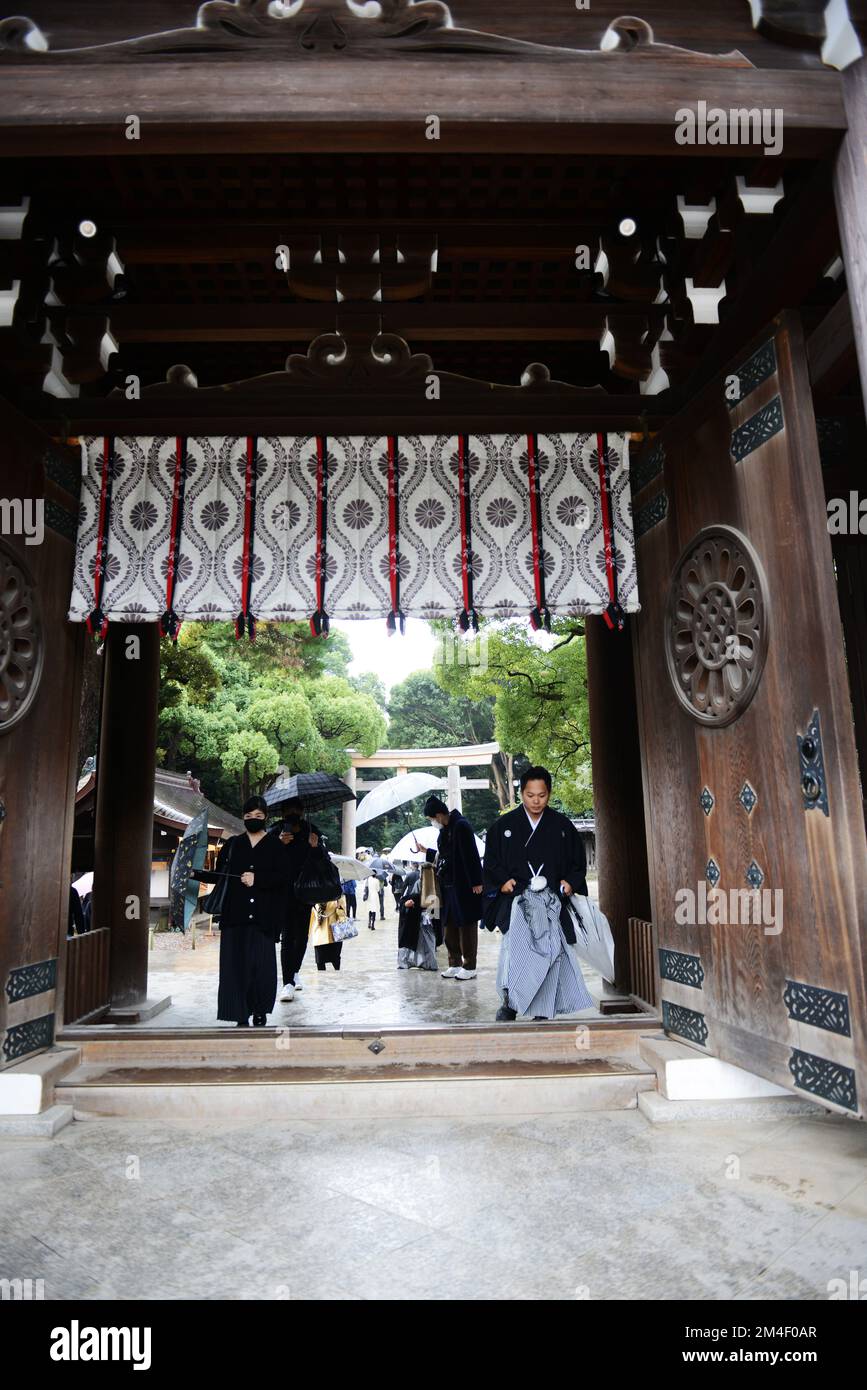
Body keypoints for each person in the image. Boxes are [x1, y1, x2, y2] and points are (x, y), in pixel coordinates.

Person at [482, 766, 592, 1022]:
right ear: (521, 793)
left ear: (549, 794)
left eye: (541, 795)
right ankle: (509, 1003)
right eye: (530, 795)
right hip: (518, 900)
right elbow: (491, 863)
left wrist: (570, 883)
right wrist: (501, 883)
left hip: (551, 901)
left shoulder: (562, 827)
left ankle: (542, 1007)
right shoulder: (503, 827)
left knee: (550, 953)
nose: (536, 801)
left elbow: (578, 865)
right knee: (514, 952)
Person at [192, 795, 290, 1027]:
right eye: (248, 816)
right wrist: (196, 873)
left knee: (261, 966)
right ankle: (239, 1012)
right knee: (235, 966)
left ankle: (260, 1010)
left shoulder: (276, 846)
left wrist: (259, 879)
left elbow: (284, 879)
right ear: (243, 818)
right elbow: (220, 876)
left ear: (265, 817)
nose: (253, 819)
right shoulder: (233, 844)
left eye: (258, 816)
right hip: (234, 915)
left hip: (264, 917)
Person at [415, 796, 483, 981]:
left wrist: (477, 881)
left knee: (466, 924)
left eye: (431, 819)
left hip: (464, 885)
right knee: (449, 924)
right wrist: (425, 851)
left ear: (438, 815)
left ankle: (469, 965)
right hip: (448, 884)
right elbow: (444, 856)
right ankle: (454, 962)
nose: (432, 823)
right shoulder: (445, 831)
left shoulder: (461, 826)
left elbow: (471, 855)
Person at [277, 797, 323, 1002]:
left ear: (302, 812)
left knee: (302, 937)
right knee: (287, 937)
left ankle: (294, 971)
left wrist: (315, 847)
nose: (293, 814)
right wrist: (279, 844)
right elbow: (267, 859)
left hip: (306, 892)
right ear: (283, 813)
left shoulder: (312, 831)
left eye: (296, 810)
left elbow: (323, 862)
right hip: (283, 891)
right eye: (288, 810)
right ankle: (287, 982)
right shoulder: (275, 831)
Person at [396, 866, 438, 970]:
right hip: (425, 915)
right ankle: (428, 963)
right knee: (426, 940)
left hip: (426, 914)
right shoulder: (424, 883)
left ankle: (425, 963)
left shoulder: (429, 883)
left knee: (426, 940)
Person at [310, 895, 348, 971]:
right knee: (321, 964)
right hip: (320, 934)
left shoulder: (337, 895)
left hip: (333, 934)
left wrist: (339, 908)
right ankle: (322, 982)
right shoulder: (314, 893)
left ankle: (335, 981)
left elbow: (342, 914)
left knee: (335, 962)